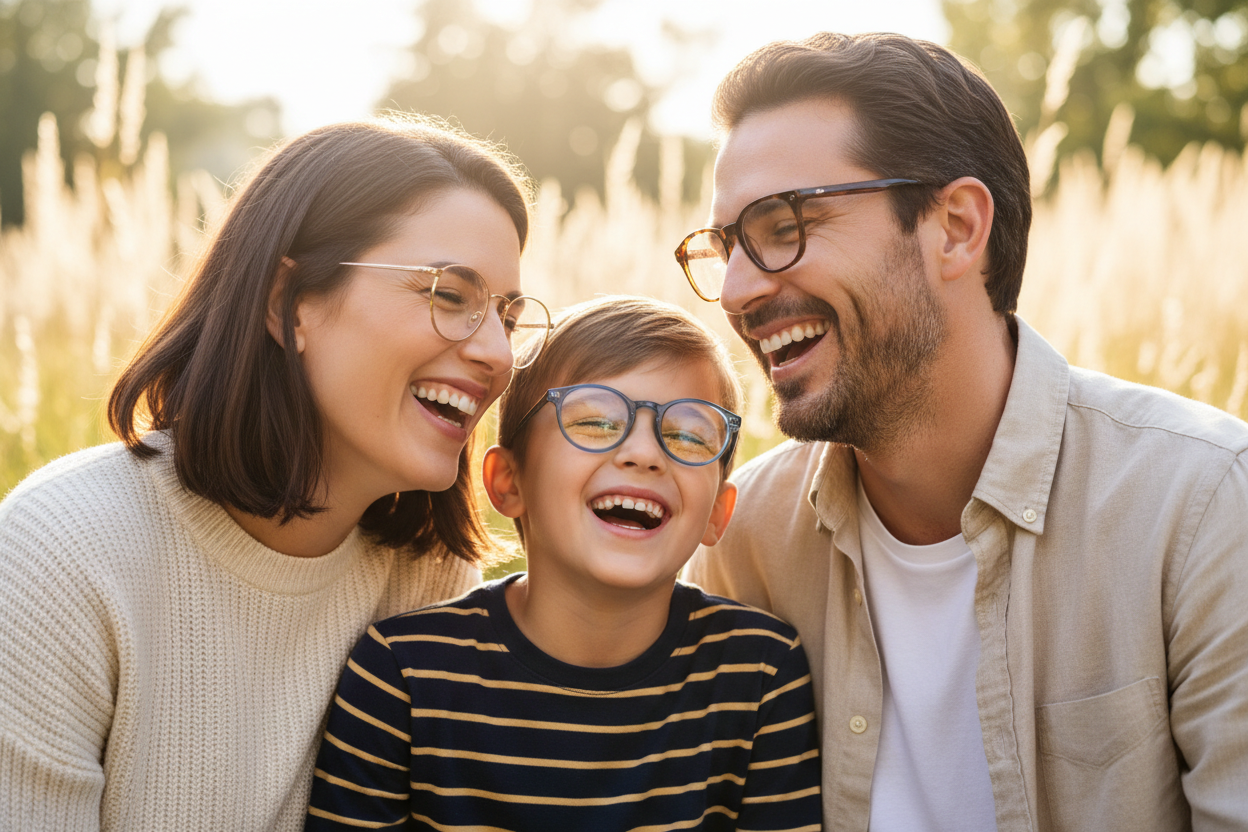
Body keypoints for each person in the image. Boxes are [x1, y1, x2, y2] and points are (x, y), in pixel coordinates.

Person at [676, 32, 1248, 832]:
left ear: (955, 226)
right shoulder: (747, 540)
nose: (736, 289)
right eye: (728, 244)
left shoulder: (1203, 507)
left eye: (784, 226)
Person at [0, 116, 552, 831]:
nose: (498, 355)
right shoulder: (62, 554)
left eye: (507, 316)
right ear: (288, 304)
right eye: (451, 296)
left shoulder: (426, 579)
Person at [305, 296, 823, 831]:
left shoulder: (761, 674)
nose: (644, 453)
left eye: (689, 434)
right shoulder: (401, 676)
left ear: (718, 512)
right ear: (508, 483)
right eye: (596, 421)